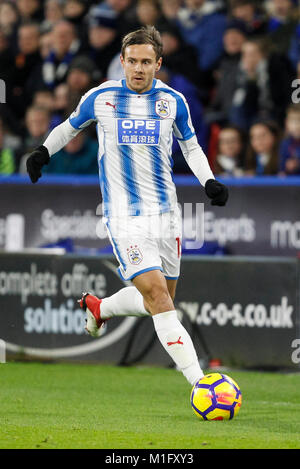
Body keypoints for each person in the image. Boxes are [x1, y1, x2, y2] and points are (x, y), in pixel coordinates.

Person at [25, 26, 228, 388]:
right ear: (121, 61)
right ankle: (201, 384)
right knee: (156, 295)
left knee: (161, 299)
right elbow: (69, 128)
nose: (137, 68)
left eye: (146, 62)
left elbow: (192, 146)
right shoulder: (101, 97)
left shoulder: (173, 102)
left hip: (167, 216)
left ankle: (99, 308)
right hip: (123, 217)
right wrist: (42, 152)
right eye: (131, 61)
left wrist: (208, 181)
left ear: (158, 63)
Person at [279, 104, 300, 176]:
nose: (297, 125)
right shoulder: (284, 144)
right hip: (290, 184)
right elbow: (281, 170)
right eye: (294, 121)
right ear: (287, 123)